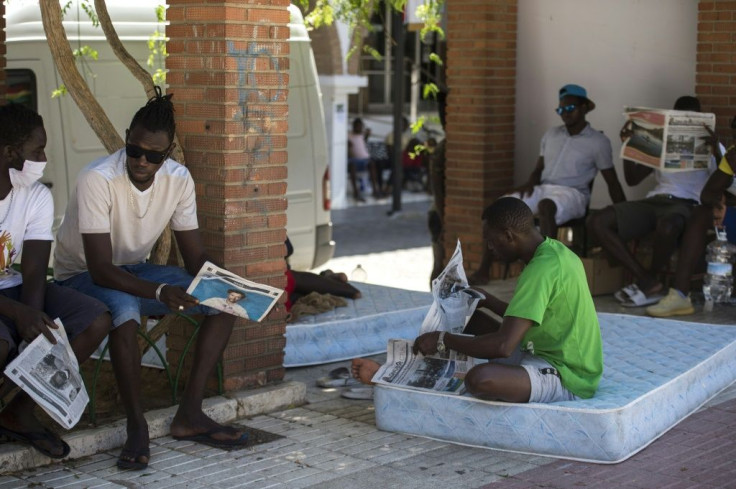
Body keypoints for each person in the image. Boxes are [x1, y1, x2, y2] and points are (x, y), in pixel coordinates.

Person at [53, 89, 248, 470]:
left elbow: (194, 258)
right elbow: (99, 269)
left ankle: (190, 414)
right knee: (124, 307)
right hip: (80, 275)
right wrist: (160, 291)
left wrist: (229, 284)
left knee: (222, 302)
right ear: (126, 137)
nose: (142, 160)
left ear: (169, 151)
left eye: (154, 155)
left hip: (132, 270)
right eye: (134, 149)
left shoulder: (178, 180)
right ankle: (136, 425)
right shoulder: (98, 178)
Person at [354, 198, 603, 403]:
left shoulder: (541, 269)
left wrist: (444, 341)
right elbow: (534, 315)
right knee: (472, 318)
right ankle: (400, 371)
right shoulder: (554, 253)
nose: (490, 249)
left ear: (509, 236)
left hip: (569, 376)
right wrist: (487, 300)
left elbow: (503, 346)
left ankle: (394, 378)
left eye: (491, 242)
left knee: (481, 379)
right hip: (541, 346)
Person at [0, 103, 111, 459]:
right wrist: (18, 316)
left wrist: (32, 328)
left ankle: (19, 412)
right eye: (37, 150)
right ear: (9, 152)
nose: (43, 157)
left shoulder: (36, 196)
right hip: (6, 302)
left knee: (95, 319)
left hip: (13, 289)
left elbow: (34, 270)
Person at [469, 84, 626, 285]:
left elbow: (612, 181)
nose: (565, 114)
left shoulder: (598, 141)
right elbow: (538, 169)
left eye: (570, 108)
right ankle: (484, 270)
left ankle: (543, 270)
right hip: (543, 188)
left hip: (573, 194)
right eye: (560, 110)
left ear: (585, 107)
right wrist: (529, 183)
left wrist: (622, 211)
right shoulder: (551, 134)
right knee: (500, 206)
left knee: (546, 206)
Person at [588, 96, 719, 307]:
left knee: (668, 226)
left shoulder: (713, 146)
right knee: (598, 221)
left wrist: (716, 151)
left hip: (686, 205)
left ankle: (649, 281)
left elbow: (726, 179)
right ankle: (647, 281)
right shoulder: (661, 141)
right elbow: (632, 179)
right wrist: (630, 145)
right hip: (655, 201)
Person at [646, 131, 736, 317]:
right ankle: (680, 295)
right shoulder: (733, 155)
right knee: (701, 213)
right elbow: (707, 195)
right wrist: (719, 205)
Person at [347, 118, 382, 202]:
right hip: (354, 160)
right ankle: (356, 192)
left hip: (365, 159)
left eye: (360, 126)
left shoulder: (362, 135)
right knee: (352, 166)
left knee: (373, 164)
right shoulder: (349, 135)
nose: (359, 128)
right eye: (357, 126)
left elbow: (364, 140)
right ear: (354, 126)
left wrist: (367, 135)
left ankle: (375, 190)